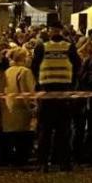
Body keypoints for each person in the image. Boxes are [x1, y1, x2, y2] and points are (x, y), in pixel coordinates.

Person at [33, 29, 80, 172]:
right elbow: (78, 65)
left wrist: (40, 83)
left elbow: (34, 66)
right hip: (64, 93)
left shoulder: (42, 47)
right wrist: (71, 84)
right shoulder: (69, 47)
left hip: (46, 93)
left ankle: (43, 164)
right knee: (63, 131)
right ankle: (64, 163)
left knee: (45, 131)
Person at [0, 47, 37, 167]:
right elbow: (27, 92)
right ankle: (22, 161)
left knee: (12, 137)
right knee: (23, 138)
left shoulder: (7, 71)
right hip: (21, 109)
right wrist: (32, 108)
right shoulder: (25, 72)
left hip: (9, 108)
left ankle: (11, 161)